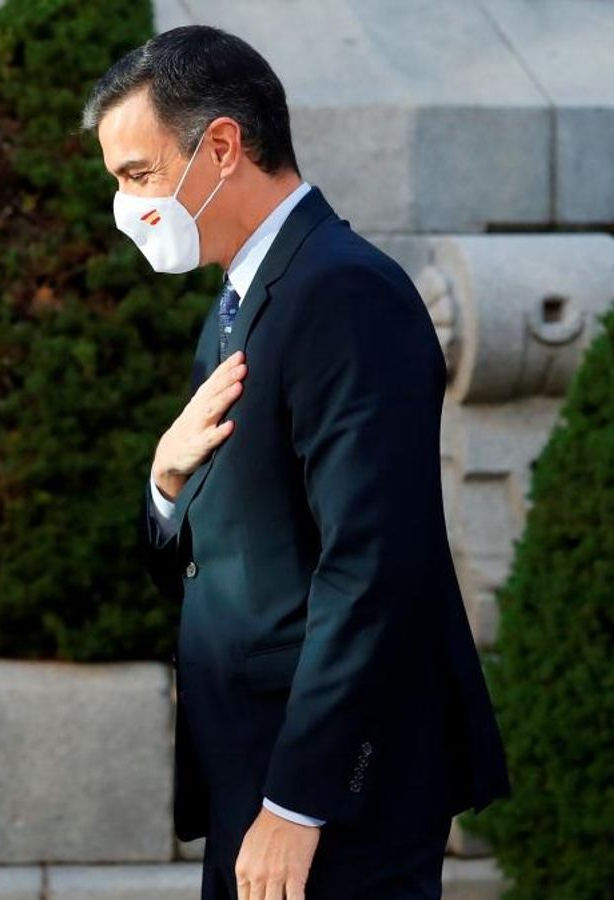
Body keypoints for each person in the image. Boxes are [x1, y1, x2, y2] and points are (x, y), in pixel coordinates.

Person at [84, 26, 509, 900]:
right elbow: (223, 559)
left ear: (223, 147)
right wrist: (164, 485)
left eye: (137, 175)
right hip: (255, 770)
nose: (127, 207)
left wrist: (299, 804)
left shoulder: (345, 291)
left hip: (330, 793)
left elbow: (372, 564)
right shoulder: (240, 298)